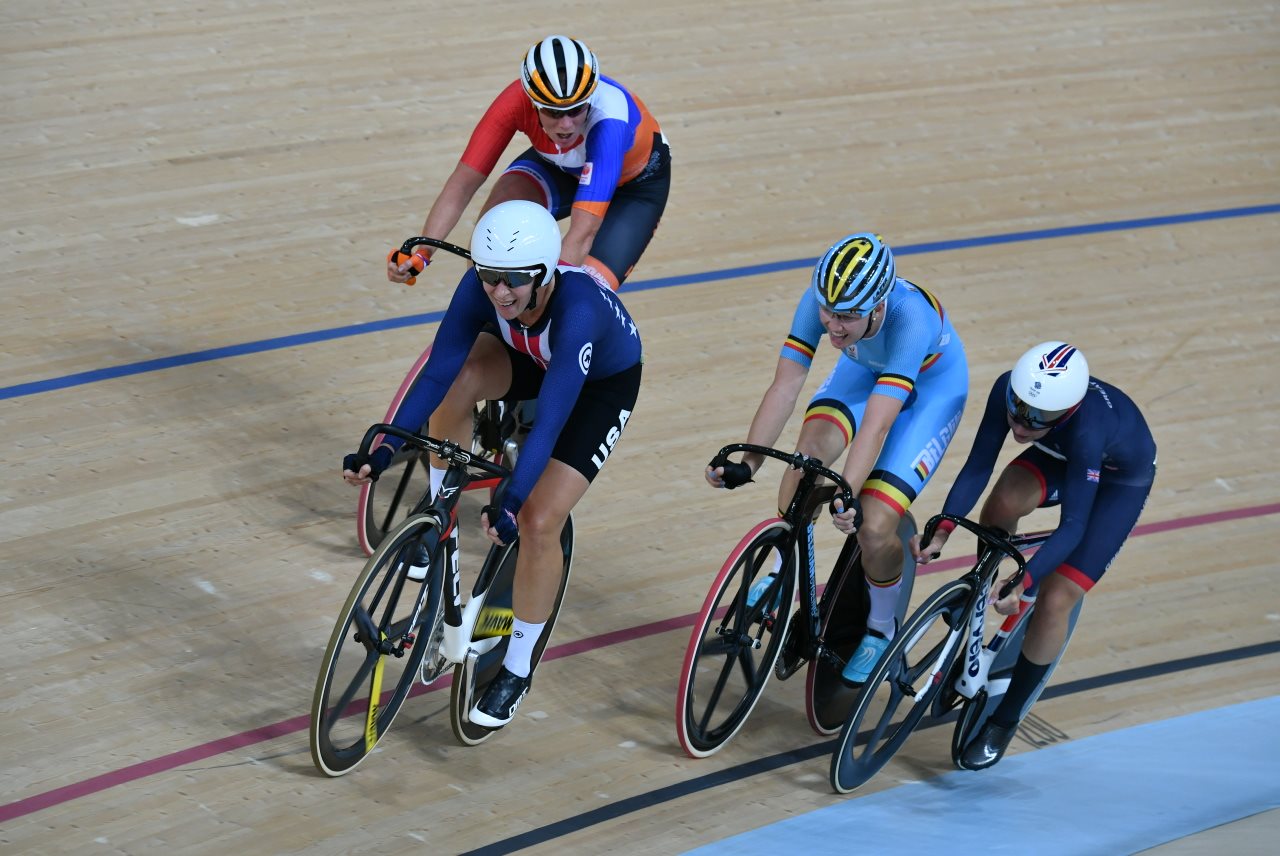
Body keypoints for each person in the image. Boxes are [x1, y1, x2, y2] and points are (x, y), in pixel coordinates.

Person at [344, 200, 644, 727]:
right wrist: (384, 450)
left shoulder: (577, 313)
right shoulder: (482, 289)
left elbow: (551, 423)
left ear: (545, 274)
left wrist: (510, 502)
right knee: (459, 383)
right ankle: (438, 506)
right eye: (490, 279)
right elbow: (437, 374)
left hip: (596, 386)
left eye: (514, 282)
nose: (499, 293)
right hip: (528, 355)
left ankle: (518, 667)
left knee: (538, 519)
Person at [387, 33, 669, 493]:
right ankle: (484, 346)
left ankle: (540, 389)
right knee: (496, 237)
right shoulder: (512, 102)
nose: (565, 122)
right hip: (557, 169)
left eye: (576, 109)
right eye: (552, 112)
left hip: (629, 192)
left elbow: (582, 233)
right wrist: (421, 251)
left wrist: (535, 294)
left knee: (581, 287)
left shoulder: (609, 119)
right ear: (530, 101)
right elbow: (463, 183)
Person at [706, 232, 968, 685]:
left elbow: (877, 426)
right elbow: (785, 385)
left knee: (874, 525)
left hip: (929, 391)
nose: (833, 325)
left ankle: (881, 629)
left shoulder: (910, 322)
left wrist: (849, 493)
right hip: (865, 369)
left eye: (847, 316)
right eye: (828, 312)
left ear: (880, 307)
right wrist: (748, 463)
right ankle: (777, 571)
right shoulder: (820, 301)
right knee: (805, 460)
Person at [913, 341, 1156, 770]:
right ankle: (979, 600)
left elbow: (1074, 526)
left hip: (1116, 483)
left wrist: (1024, 581)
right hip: (1060, 456)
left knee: (1055, 598)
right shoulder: (1010, 390)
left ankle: (1004, 722)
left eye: (1037, 419)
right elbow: (978, 465)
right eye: (1017, 411)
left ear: (1063, 413)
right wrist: (945, 526)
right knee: (1002, 500)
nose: (1021, 427)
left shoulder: (1086, 428)